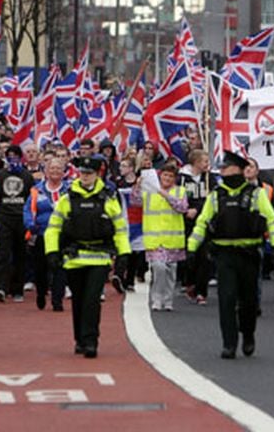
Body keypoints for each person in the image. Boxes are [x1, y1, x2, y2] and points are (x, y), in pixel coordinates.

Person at [187, 151, 274, 360]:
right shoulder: (216, 195)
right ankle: (229, 343)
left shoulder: (256, 194)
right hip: (224, 255)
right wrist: (192, 248)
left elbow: (271, 221)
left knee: (249, 302)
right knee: (226, 299)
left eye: (226, 167)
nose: (222, 170)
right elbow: (202, 223)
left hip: (249, 254)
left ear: (238, 169)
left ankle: (248, 334)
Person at [44, 155, 129, 358]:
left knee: (92, 300)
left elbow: (120, 229)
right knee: (79, 300)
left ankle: (91, 341)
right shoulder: (67, 199)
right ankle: (80, 340)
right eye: (82, 173)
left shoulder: (108, 199)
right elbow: (53, 228)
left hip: (99, 257)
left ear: (97, 174)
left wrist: (124, 253)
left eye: (89, 173)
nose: (85, 177)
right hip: (74, 258)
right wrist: (52, 251)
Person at [132, 162, 188, 311]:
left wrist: (167, 196)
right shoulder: (150, 191)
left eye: (170, 176)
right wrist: (137, 185)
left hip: (173, 239)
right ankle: (157, 299)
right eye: (165, 175)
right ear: (159, 176)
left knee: (171, 272)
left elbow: (182, 208)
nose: (167, 178)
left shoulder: (180, 191)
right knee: (159, 268)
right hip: (155, 239)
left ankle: (168, 301)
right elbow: (135, 201)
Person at [25, 157, 70, 310]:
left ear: (64, 172)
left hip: (62, 235)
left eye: (58, 168)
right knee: (40, 268)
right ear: (46, 171)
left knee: (60, 268)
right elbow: (28, 210)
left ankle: (57, 300)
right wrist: (31, 225)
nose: (55, 171)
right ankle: (41, 292)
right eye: (52, 168)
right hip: (42, 234)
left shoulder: (69, 190)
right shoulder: (37, 190)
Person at [0, 145, 35, 302]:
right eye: (10, 156)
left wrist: (30, 219)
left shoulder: (26, 176)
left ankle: (17, 289)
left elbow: (31, 199)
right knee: (2, 254)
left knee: (20, 255)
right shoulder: (1, 175)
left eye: (16, 156)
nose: (13, 159)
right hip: (5, 219)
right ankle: (0, 287)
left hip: (21, 220)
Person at [179, 149, 213, 305]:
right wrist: (185, 209)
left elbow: (212, 200)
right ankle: (189, 282)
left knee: (204, 257)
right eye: (205, 161)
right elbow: (177, 197)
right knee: (190, 256)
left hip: (204, 222)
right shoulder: (182, 179)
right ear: (196, 162)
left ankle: (202, 292)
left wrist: (198, 210)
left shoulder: (209, 179)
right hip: (187, 222)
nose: (207, 164)